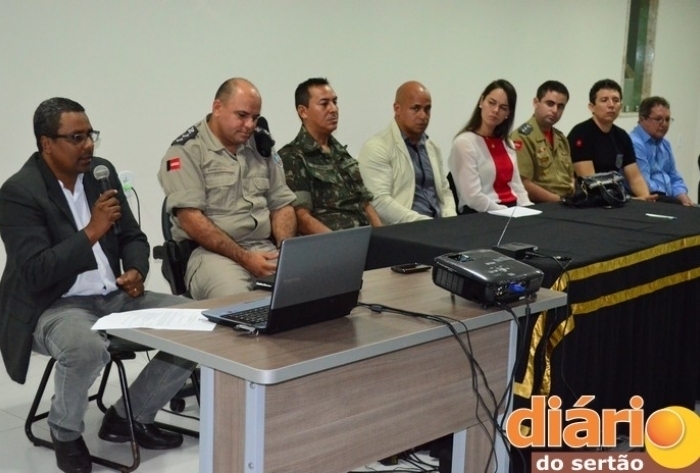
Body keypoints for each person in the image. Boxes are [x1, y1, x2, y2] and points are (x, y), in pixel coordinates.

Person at [0, 98, 197, 473]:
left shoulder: (100, 174)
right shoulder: (19, 193)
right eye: (76, 137)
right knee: (85, 348)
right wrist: (91, 231)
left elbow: (132, 236)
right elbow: (36, 272)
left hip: (114, 296)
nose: (88, 145)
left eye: (91, 135)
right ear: (46, 144)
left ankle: (129, 416)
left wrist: (136, 269)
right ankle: (65, 431)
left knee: (196, 323)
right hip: (54, 305)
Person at [158, 78, 297, 299]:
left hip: (264, 247)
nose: (250, 125)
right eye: (242, 115)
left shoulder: (260, 146)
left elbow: (282, 205)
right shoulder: (186, 151)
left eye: (255, 118)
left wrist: (285, 250)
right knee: (238, 303)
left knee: (306, 291)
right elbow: (191, 220)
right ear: (217, 108)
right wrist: (246, 259)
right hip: (211, 254)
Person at [278, 78, 381, 233]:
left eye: (335, 102)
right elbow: (302, 218)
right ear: (303, 111)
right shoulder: (293, 156)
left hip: (365, 236)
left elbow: (365, 203)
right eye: (324, 104)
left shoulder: (341, 153)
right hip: (332, 240)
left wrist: (382, 236)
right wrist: (339, 242)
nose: (333, 109)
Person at [357, 81, 456, 224]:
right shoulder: (377, 147)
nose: (423, 116)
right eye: (416, 108)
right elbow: (379, 201)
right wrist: (426, 223)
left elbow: (445, 192)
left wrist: (450, 220)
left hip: (439, 227)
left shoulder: (432, 147)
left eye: (427, 109)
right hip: (405, 229)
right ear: (397, 109)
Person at [447, 79, 532, 212]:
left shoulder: (508, 143)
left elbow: (517, 188)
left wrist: (529, 210)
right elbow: (473, 197)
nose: (495, 110)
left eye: (503, 108)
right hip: (482, 214)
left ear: (508, 113)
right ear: (481, 101)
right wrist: (506, 212)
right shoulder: (465, 143)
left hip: (512, 211)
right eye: (491, 103)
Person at [566, 79, 654, 200]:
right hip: (588, 200)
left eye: (616, 100)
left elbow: (635, 177)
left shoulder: (622, 136)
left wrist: (645, 197)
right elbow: (590, 182)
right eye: (604, 100)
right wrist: (627, 200)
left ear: (620, 106)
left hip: (616, 197)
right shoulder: (580, 133)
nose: (611, 105)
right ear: (592, 107)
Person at [510, 81, 574, 202]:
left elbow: (571, 178)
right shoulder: (521, 137)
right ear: (536, 102)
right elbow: (523, 184)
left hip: (567, 203)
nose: (555, 110)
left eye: (560, 106)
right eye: (550, 104)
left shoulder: (561, 139)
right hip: (542, 205)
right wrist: (559, 201)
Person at [630, 96, 692, 205]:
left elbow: (674, 177)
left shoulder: (665, 144)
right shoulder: (634, 143)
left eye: (667, 119)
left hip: (667, 199)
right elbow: (644, 184)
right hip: (650, 200)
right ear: (642, 119)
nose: (664, 124)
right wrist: (675, 201)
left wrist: (683, 197)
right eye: (658, 119)